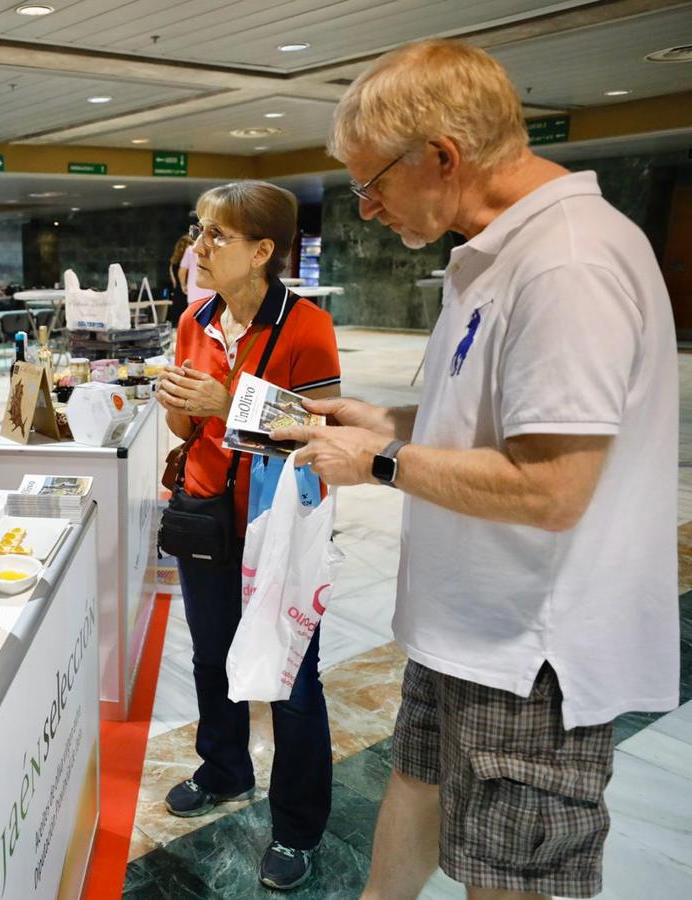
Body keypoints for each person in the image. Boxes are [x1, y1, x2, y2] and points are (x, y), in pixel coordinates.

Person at [273, 40, 678, 900]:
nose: (368, 209)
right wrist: (385, 421)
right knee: (415, 787)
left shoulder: (566, 262)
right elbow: (497, 424)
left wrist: (378, 460)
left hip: (532, 648)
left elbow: (550, 488)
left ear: (442, 157)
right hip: (466, 626)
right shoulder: (498, 250)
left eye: (370, 184)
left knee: (511, 874)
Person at [156, 181, 341, 890]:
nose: (199, 248)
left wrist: (222, 400)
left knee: (290, 681)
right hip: (206, 512)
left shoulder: (304, 328)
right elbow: (184, 427)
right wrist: (180, 406)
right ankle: (225, 768)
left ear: (263, 251)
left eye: (217, 236)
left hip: (281, 529)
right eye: (199, 231)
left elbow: (323, 433)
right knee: (210, 657)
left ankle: (297, 828)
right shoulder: (194, 319)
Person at [167, 232, 193, 326]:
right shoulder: (190, 263)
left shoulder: (173, 263)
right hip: (188, 295)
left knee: (178, 325)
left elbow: (174, 282)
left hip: (177, 297)